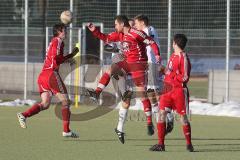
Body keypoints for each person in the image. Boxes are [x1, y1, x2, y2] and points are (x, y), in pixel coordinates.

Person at [87, 15, 161, 138]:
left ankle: (149, 123)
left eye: (116, 24)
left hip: (139, 65)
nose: (115, 26)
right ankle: (97, 92)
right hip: (127, 63)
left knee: (142, 95)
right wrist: (94, 30)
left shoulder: (136, 33)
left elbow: (151, 42)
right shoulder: (119, 34)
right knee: (110, 69)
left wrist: (157, 55)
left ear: (122, 24)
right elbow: (105, 38)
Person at [17, 23, 79, 138]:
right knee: (65, 102)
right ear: (59, 31)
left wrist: (69, 56)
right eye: (64, 30)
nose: (66, 32)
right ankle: (66, 130)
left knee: (45, 104)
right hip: (51, 74)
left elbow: (56, 58)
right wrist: (70, 56)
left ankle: (24, 115)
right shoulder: (58, 41)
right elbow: (56, 58)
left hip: (43, 76)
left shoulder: (53, 41)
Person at [149, 34, 194, 152]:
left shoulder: (183, 58)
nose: (172, 44)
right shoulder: (173, 56)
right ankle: (161, 144)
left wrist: (168, 72)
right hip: (167, 90)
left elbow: (185, 78)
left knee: (182, 117)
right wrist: (162, 73)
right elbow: (169, 72)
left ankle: (189, 144)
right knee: (161, 114)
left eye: (172, 42)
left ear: (175, 43)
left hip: (179, 91)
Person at [134, 14, 174, 135]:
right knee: (151, 93)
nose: (135, 26)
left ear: (142, 23)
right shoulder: (144, 31)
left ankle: (169, 117)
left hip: (152, 65)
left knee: (155, 93)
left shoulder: (149, 30)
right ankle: (160, 119)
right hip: (146, 65)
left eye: (136, 23)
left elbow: (149, 42)